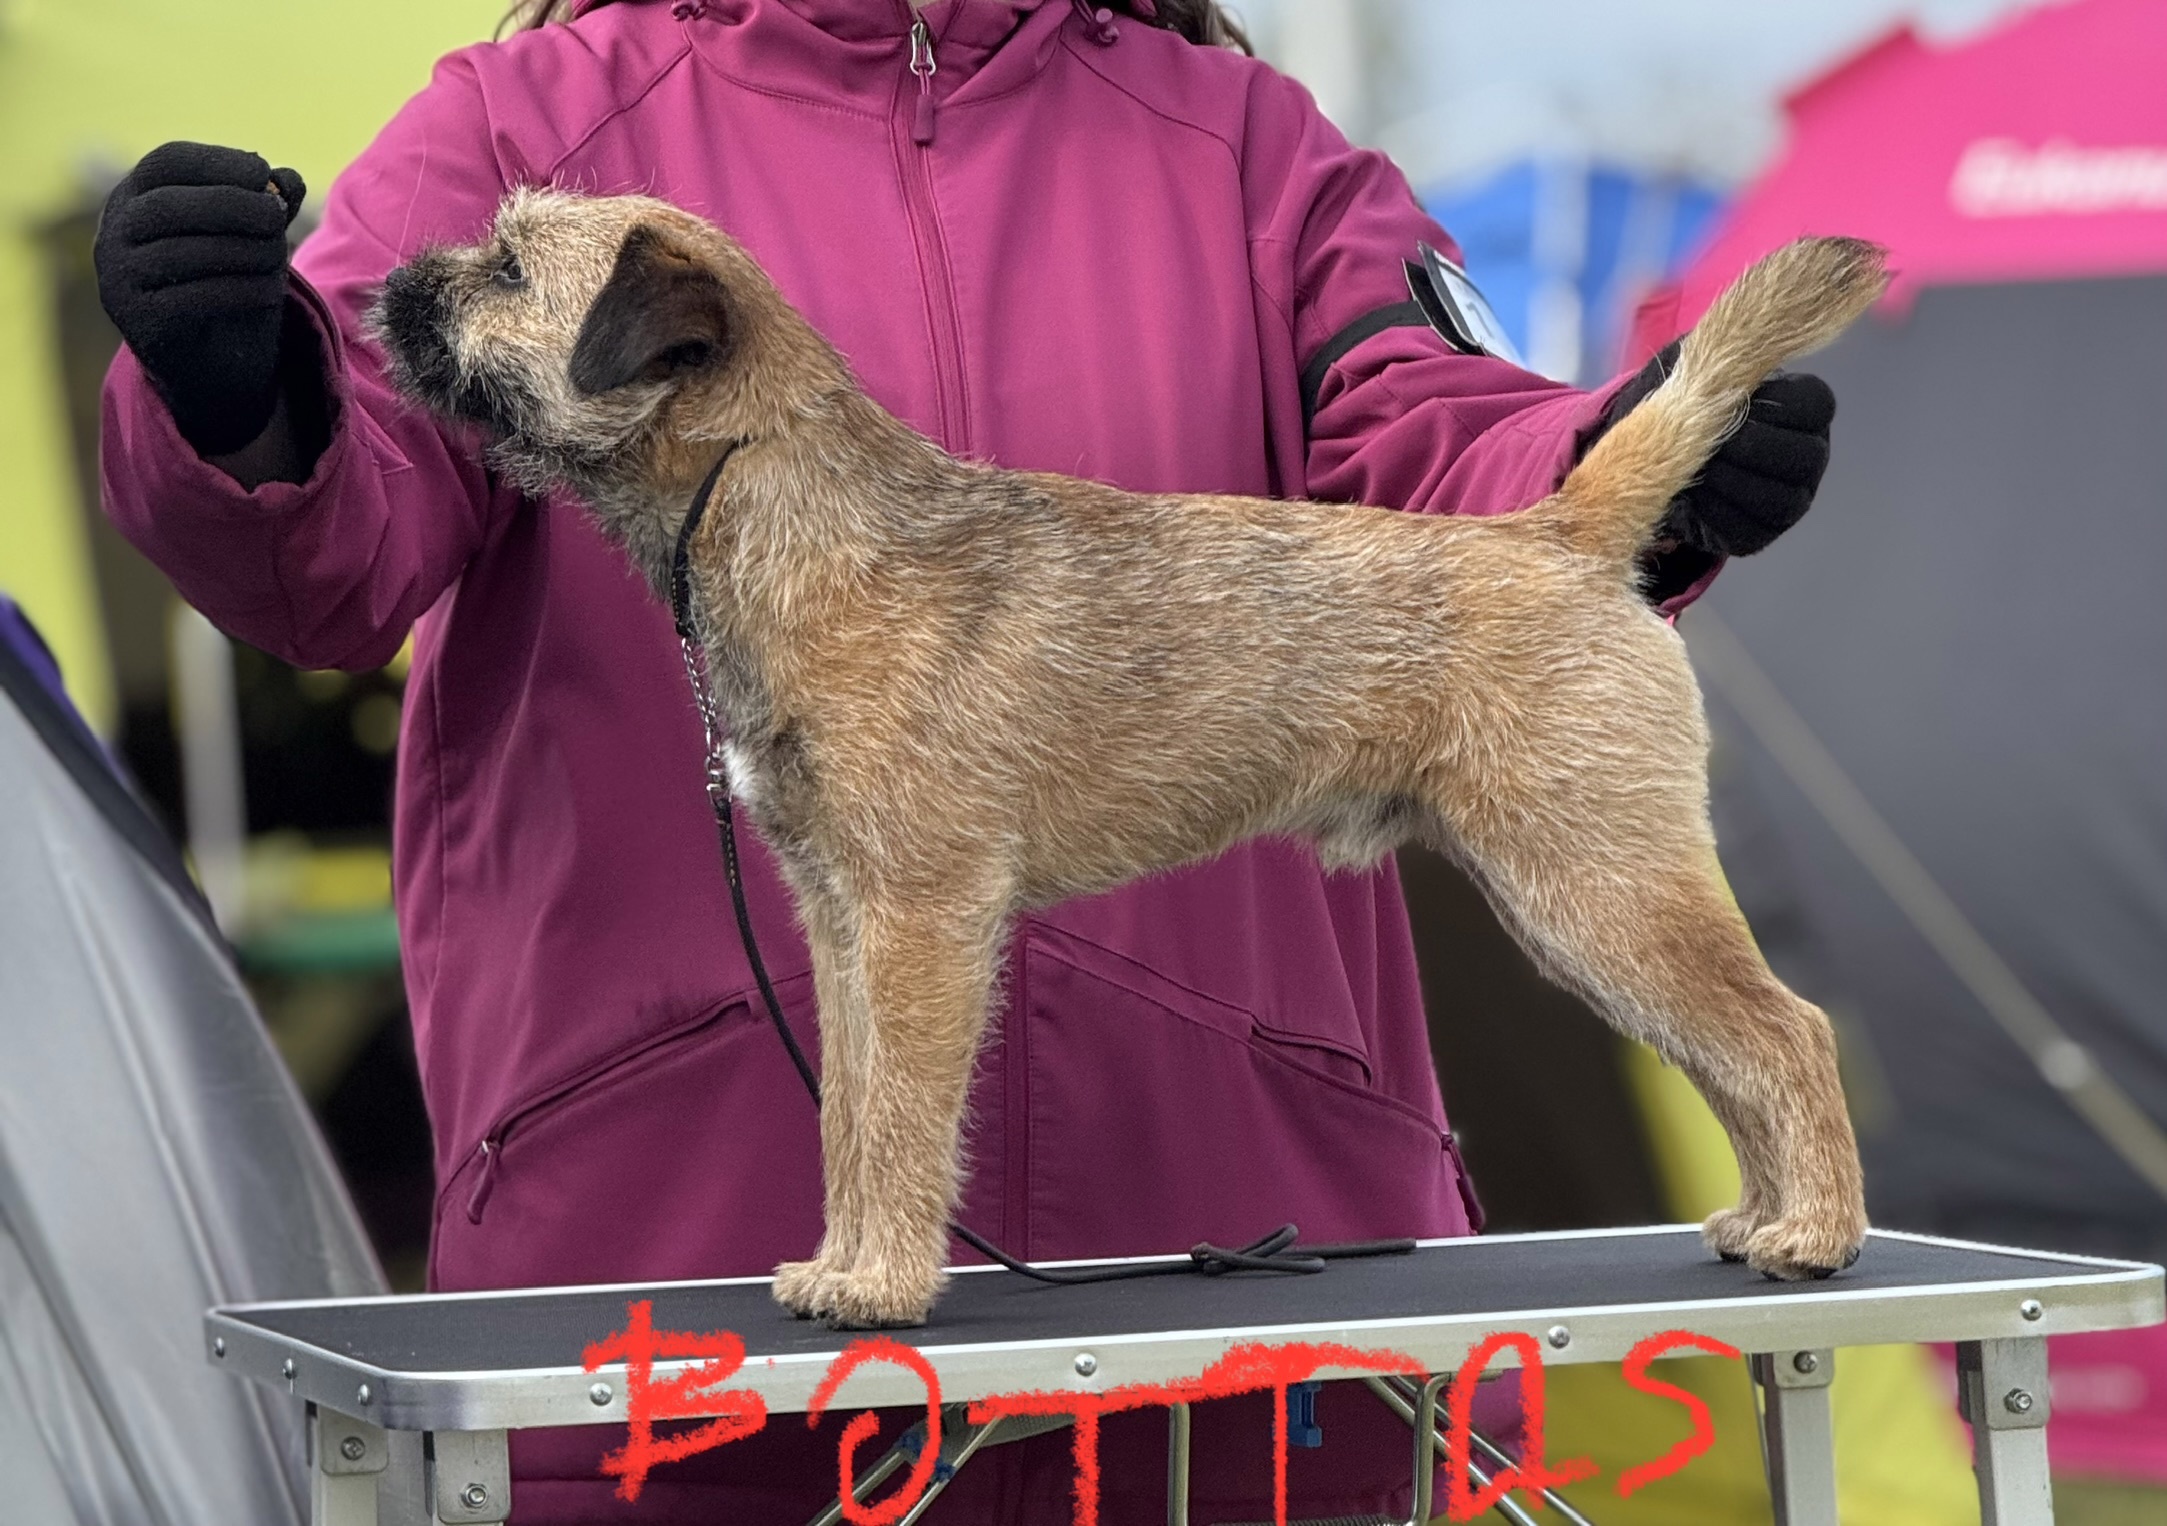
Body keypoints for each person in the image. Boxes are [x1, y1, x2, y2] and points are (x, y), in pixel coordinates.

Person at [94, 1, 1836, 1519]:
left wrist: (1619, 457)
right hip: (664, 1312)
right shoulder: (520, 117)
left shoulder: (1244, 136)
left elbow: (1432, 426)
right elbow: (341, 522)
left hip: (1253, 1299)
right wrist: (242, 393)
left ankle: (1803, 1144)